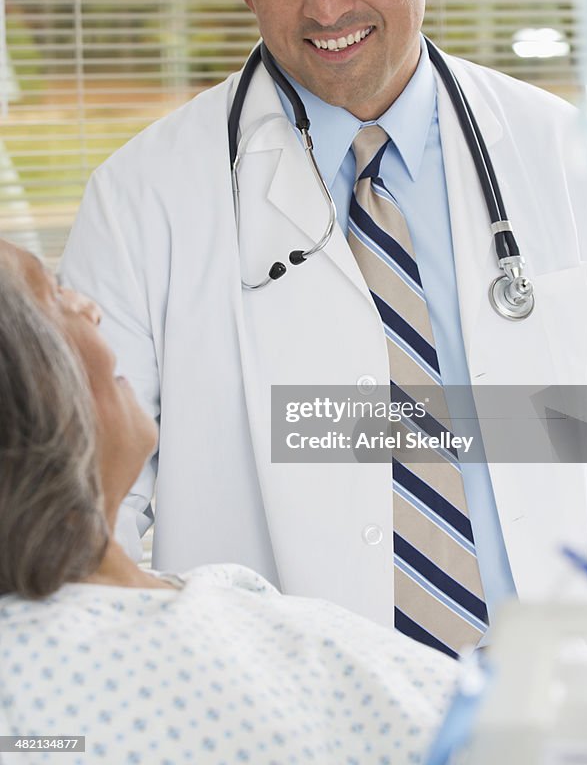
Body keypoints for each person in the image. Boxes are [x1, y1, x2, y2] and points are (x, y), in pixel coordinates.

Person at [60, 0, 587, 660]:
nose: (325, 8)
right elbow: (96, 513)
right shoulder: (143, 199)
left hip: (553, 710)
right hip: (283, 722)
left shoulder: (559, 154)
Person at [0, 239, 460, 764]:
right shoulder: (43, 685)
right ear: (24, 392)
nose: (90, 307)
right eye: (54, 297)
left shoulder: (212, 603)